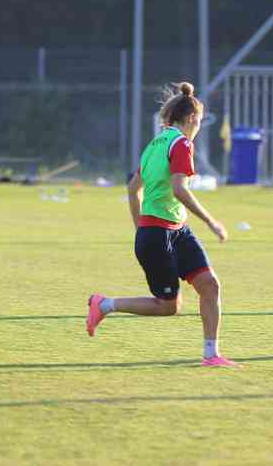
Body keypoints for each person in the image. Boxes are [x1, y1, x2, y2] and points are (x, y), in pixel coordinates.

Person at [87, 82, 239, 367]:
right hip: (158, 234)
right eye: (201, 120)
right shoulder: (181, 144)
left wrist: (139, 227)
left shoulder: (154, 145)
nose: (200, 125)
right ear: (194, 118)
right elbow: (180, 188)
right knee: (169, 306)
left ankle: (212, 355)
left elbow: (133, 189)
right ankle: (105, 304)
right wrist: (211, 221)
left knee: (209, 285)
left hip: (174, 231)